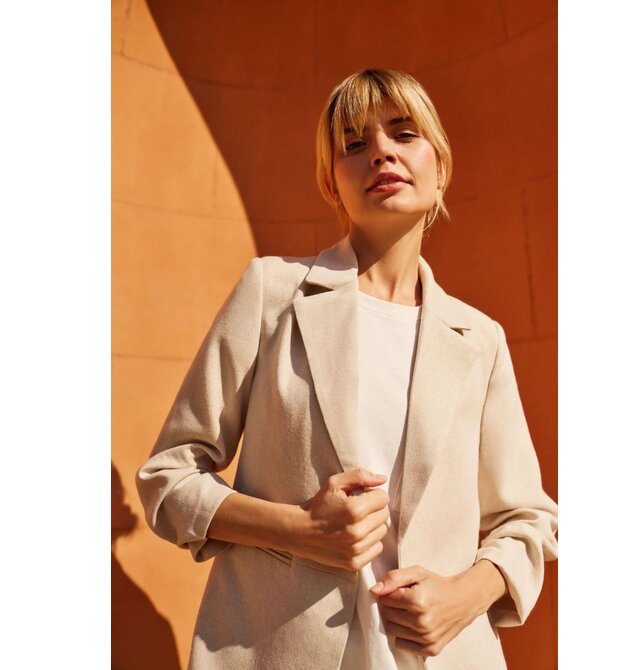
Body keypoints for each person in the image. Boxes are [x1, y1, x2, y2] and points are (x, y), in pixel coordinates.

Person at [136, 68, 558, 670]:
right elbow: (169, 477)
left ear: (440, 167)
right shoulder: (272, 294)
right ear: (331, 184)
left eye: (404, 134)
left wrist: (463, 597)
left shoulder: (478, 338)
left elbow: (528, 519)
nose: (381, 151)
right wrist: (298, 529)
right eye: (354, 143)